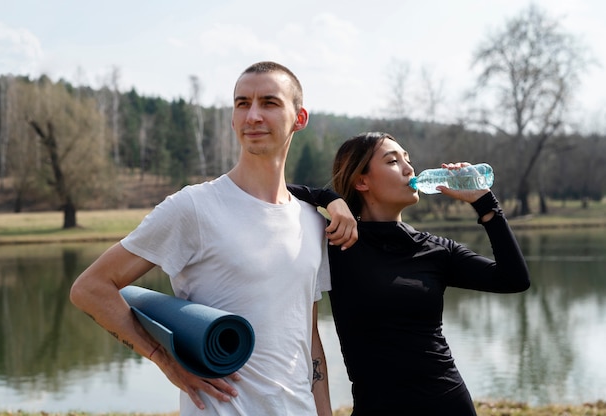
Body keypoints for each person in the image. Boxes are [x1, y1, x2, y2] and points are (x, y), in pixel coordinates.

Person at [69, 61, 357, 416]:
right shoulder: (194, 207)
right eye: (242, 103)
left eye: (269, 102)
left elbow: (309, 340)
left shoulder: (312, 222)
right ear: (233, 118)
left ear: (299, 118)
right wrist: (165, 360)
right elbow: (91, 289)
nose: (252, 115)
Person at [291, 131, 530, 415]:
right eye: (393, 161)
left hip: (449, 404)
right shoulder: (338, 242)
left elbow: (514, 279)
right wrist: (329, 198)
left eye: (408, 160)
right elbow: (265, 193)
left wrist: (485, 203)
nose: (409, 169)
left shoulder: (437, 250)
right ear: (361, 181)